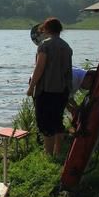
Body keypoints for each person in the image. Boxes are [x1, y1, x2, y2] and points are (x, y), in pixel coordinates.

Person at [27, 17, 73, 157]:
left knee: (45, 123)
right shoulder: (66, 47)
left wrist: (31, 87)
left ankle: (48, 154)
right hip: (63, 90)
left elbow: (39, 68)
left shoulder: (44, 46)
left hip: (46, 89)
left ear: (46, 29)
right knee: (57, 121)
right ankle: (57, 152)